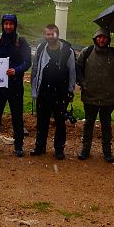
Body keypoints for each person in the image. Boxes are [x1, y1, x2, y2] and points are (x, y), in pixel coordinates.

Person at [0, 14, 31, 157]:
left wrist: (16, 70)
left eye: (11, 24)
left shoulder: (21, 41)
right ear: (2, 25)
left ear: (15, 25)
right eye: (6, 24)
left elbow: (27, 62)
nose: (8, 27)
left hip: (15, 85)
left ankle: (18, 145)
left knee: (17, 115)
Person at [29, 24, 76, 160]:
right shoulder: (40, 49)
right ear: (45, 35)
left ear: (58, 34)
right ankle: (40, 146)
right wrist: (34, 89)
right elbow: (35, 69)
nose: (50, 37)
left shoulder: (68, 51)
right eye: (48, 34)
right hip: (44, 90)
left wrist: (70, 90)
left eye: (53, 34)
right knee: (42, 120)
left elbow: (72, 71)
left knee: (60, 122)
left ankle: (59, 149)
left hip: (60, 92)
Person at [76, 28, 114, 163]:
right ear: (95, 38)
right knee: (88, 123)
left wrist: (113, 87)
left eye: (105, 38)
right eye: (99, 37)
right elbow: (78, 69)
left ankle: (107, 151)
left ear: (108, 40)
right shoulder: (87, 52)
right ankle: (85, 149)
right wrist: (84, 84)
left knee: (106, 125)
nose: (102, 40)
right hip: (89, 96)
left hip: (107, 99)